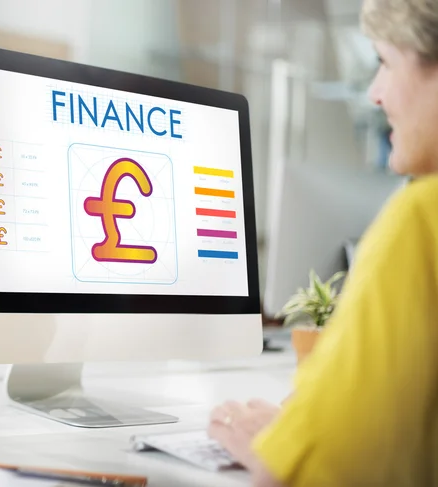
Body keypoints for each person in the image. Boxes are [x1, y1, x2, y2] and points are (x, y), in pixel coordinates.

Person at [207, 0, 438, 485]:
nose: (375, 93)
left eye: (385, 62)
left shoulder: (421, 218)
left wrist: (278, 444)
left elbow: (321, 470)